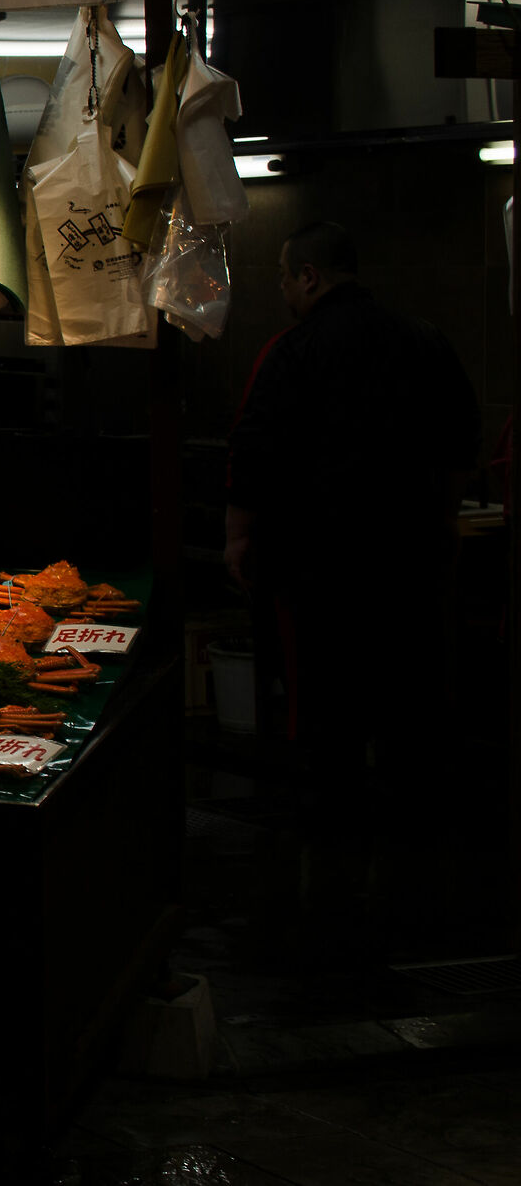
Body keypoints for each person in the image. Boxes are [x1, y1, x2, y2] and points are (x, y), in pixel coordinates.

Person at [225, 219, 479, 962]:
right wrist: (444, 516)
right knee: (412, 693)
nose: (280, 289)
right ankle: (415, 841)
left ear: (308, 275)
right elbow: (463, 442)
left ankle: (331, 854)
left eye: (281, 275)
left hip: (319, 562)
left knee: (327, 704)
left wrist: (240, 537)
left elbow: (254, 450)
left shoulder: (293, 351)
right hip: (412, 557)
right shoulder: (426, 340)